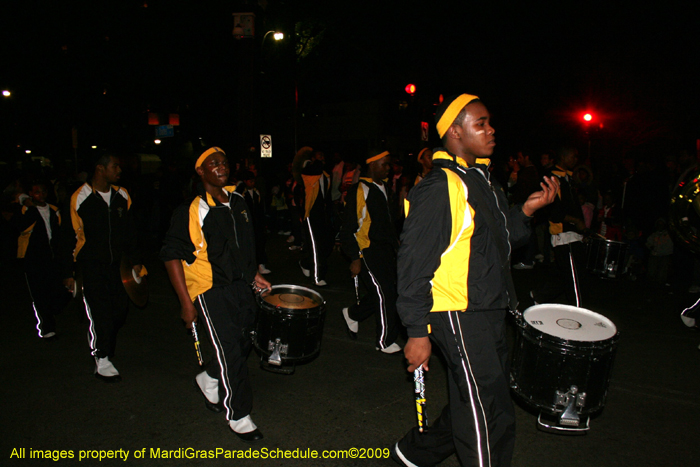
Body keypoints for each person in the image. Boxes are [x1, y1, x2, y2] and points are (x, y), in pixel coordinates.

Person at [391, 94, 558, 467]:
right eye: (480, 123)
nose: (491, 129)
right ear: (455, 132)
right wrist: (417, 331)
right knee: (488, 416)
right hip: (458, 312)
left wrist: (527, 211)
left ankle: (414, 452)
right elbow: (413, 263)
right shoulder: (441, 186)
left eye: (489, 121)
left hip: (488, 307)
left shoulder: (481, 179)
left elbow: (497, 242)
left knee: (485, 397)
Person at [161, 147, 271, 442]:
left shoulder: (238, 201)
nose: (221, 166)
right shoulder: (191, 209)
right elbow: (171, 256)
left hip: (240, 286)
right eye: (214, 163)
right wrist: (186, 303)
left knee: (245, 339)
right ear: (201, 171)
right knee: (230, 351)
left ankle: (209, 376)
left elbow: (245, 246)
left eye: (224, 162)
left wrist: (253, 274)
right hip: (210, 290)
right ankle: (238, 413)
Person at [63, 152, 142, 382]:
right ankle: (102, 358)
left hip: (118, 267)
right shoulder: (80, 197)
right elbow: (67, 237)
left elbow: (131, 231)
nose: (119, 171)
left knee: (119, 311)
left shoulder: (122, 195)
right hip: (91, 266)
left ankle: (105, 341)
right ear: (100, 169)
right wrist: (67, 272)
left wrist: (136, 261)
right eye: (115, 166)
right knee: (100, 313)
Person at [338, 149, 402, 354]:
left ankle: (353, 314)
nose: (388, 168)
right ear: (372, 164)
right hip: (368, 249)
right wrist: (355, 256)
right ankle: (384, 340)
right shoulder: (360, 189)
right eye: (384, 164)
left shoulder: (384, 187)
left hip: (386, 249)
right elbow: (349, 227)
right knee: (385, 293)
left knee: (386, 291)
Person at [531, 146, 589, 307]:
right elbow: (553, 210)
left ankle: (540, 296)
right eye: (573, 156)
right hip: (563, 232)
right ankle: (578, 308)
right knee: (574, 275)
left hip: (571, 232)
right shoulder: (553, 178)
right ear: (564, 156)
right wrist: (576, 221)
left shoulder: (568, 178)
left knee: (566, 272)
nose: (575, 160)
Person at [14, 181, 71, 339]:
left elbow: (61, 235)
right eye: (37, 192)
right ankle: (47, 327)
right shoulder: (25, 210)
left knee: (60, 291)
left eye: (43, 191)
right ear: (31, 194)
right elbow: (22, 227)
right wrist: (29, 206)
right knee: (39, 294)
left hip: (53, 259)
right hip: (33, 260)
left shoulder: (54, 210)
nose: (41, 195)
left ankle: (52, 310)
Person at [299, 150, 333, 286]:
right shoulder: (309, 171)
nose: (322, 158)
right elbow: (314, 168)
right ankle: (317, 277)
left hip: (323, 214)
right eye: (320, 156)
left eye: (323, 156)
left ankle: (306, 263)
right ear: (313, 159)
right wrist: (316, 161)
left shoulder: (325, 175)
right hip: (311, 214)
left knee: (326, 244)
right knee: (315, 245)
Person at [237, 170, 271, 274]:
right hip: (246, 225)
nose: (252, 183)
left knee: (260, 243)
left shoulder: (256, 192)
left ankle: (261, 264)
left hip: (257, 224)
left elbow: (261, 209)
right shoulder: (241, 194)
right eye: (250, 181)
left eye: (253, 181)